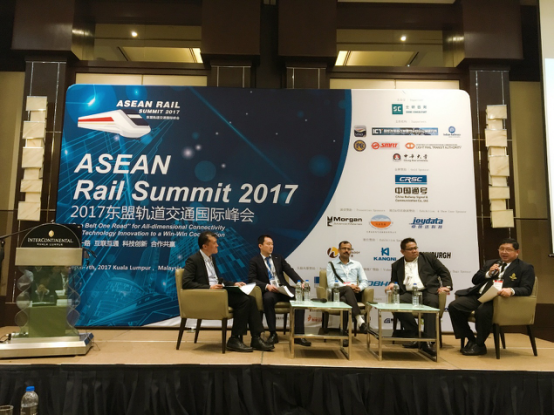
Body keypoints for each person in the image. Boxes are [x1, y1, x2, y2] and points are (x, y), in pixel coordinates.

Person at [182, 231, 273, 353]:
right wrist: (209, 288)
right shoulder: (193, 260)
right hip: (207, 297)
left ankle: (256, 338)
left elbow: (217, 280)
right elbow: (186, 283)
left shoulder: (211, 258)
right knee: (244, 301)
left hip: (219, 293)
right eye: (214, 243)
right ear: (205, 246)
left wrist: (233, 284)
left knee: (250, 299)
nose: (217, 245)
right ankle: (234, 339)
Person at [449, 238, 535, 356]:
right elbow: (475, 280)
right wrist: (488, 273)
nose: (504, 252)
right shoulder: (491, 263)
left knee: (482, 312)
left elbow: (527, 289)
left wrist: (511, 290)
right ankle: (471, 339)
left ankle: (479, 345)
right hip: (480, 295)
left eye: (508, 250)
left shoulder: (525, 267)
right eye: (501, 249)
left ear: (517, 252)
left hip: (498, 300)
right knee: (455, 306)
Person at [386, 238, 452, 357]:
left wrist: (446, 286)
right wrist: (392, 284)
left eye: (415, 248)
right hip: (409, 293)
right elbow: (394, 280)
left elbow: (444, 272)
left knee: (431, 304)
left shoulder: (428, 258)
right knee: (396, 303)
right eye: (410, 249)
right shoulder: (396, 265)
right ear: (402, 251)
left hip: (428, 291)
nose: (414, 251)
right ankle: (416, 334)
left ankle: (428, 342)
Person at [248, 235, 311, 347]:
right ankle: (273, 333)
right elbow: (252, 279)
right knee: (267, 299)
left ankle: (299, 335)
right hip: (270, 291)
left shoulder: (278, 258)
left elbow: (290, 271)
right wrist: (266, 286)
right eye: (268, 244)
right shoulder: (255, 261)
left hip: (283, 288)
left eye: (272, 244)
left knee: (299, 297)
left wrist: (300, 282)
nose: (271, 246)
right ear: (260, 246)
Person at [326, 241, 369, 339]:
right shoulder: (331, 264)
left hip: (353, 294)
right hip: (337, 292)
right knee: (347, 289)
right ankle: (359, 319)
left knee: (344, 300)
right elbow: (331, 284)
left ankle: (343, 333)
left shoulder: (357, 264)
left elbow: (364, 281)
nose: (346, 251)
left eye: (349, 249)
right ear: (338, 250)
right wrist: (349, 286)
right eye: (344, 248)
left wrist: (359, 287)